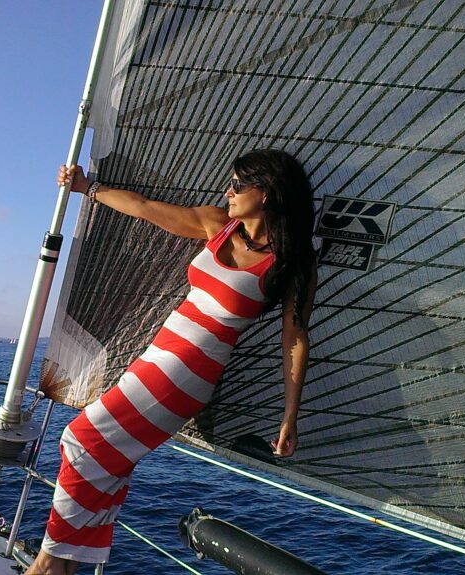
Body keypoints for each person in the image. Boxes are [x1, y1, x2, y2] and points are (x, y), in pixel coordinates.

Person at [25, 149, 317, 575]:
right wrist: (88, 188)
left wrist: (290, 416)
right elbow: (144, 209)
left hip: (190, 370)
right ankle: (64, 567)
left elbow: (295, 339)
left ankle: (48, 565)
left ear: (267, 192)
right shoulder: (218, 225)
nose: (228, 192)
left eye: (237, 185)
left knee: (81, 440)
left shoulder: (293, 262)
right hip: (160, 355)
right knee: (107, 462)